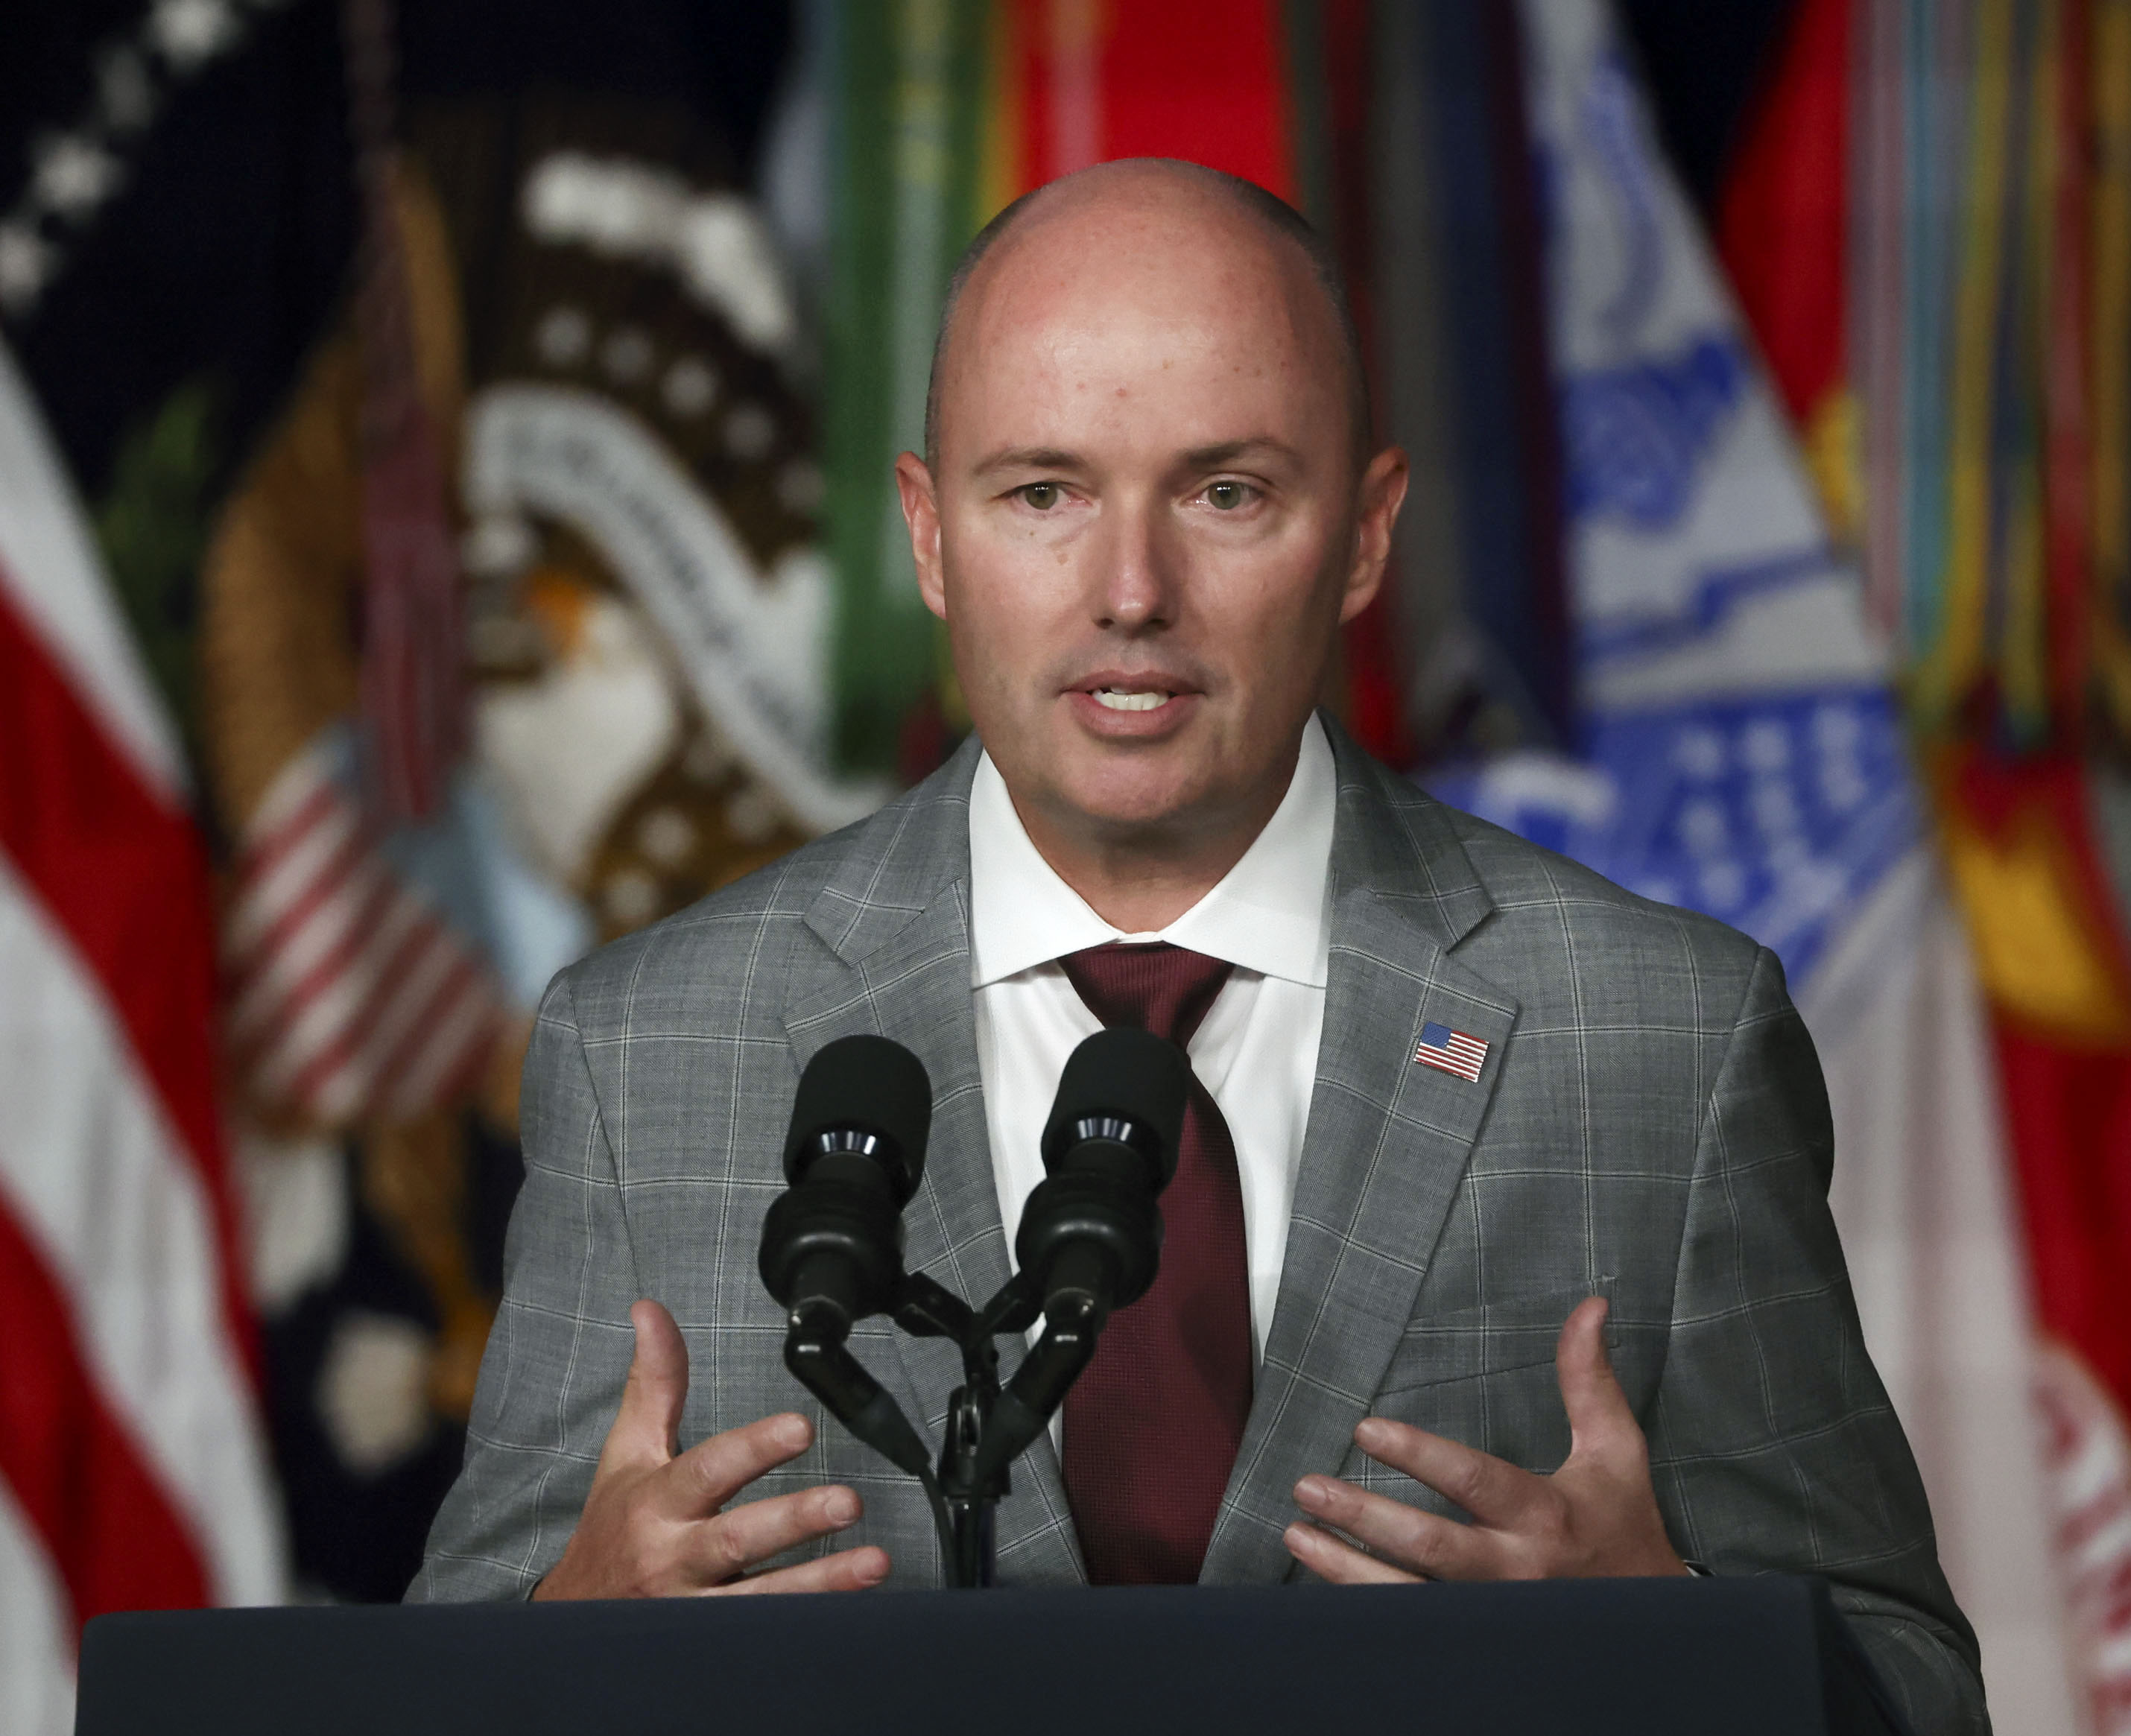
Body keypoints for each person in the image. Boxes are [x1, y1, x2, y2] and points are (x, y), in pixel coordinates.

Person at [411, 159, 1986, 1732]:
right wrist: (555, 1640)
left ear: (1365, 537)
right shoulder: (650, 1051)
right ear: (928, 535)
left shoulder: (1657, 1043)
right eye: (1044, 494)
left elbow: (1912, 1687)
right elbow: (443, 1686)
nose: (1131, 593)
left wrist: (1685, 1645)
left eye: (1226, 493)